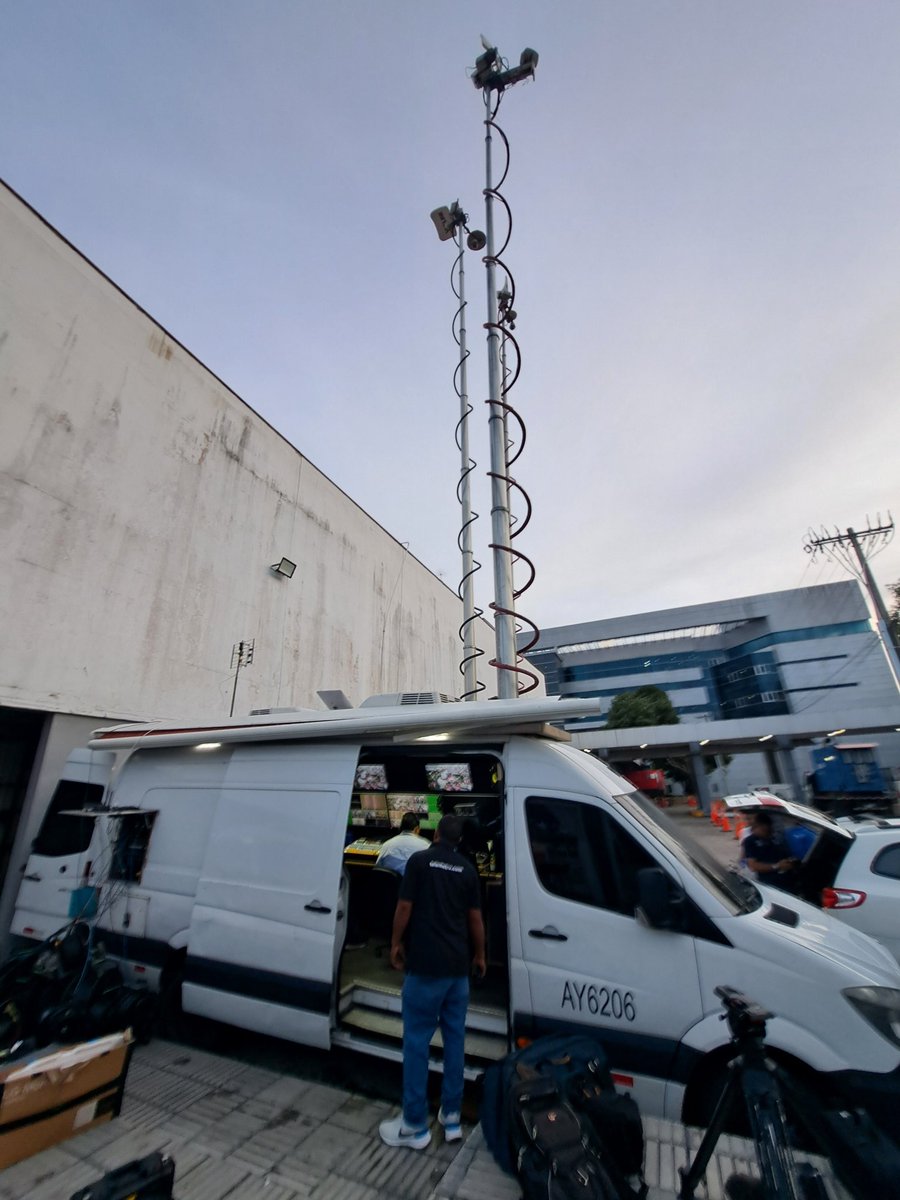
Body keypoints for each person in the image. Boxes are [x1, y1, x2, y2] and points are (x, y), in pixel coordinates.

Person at [379, 814, 486, 1151]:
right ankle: (451, 1118)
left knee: (416, 1042)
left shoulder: (420, 862)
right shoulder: (468, 870)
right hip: (458, 971)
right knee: (455, 1042)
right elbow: (476, 920)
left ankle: (414, 1125)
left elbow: (404, 907)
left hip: (425, 967)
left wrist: (395, 943)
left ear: (435, 833)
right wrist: (480, 955)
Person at [743, 812, 797, 892]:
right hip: (769, 884)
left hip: (787, 882)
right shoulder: (751, 841)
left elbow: (787, 856)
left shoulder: (777, 839)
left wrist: (790, 864)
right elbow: (753, 865)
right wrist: (777, 866)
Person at [374, 811, 429, 876]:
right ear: (417, 829)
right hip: (414, 885)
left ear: (401, 828)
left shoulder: (386, 845)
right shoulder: (426, 846)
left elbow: (377, 868)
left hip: (391, 885)